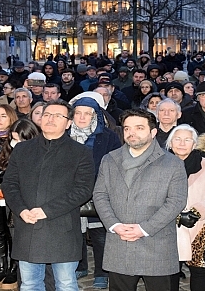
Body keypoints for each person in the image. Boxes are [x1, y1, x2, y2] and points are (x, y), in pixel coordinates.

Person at [2, 99, 95, 291]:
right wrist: (21, 210)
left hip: (62, 228)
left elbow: (83, 190)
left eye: (57, 116)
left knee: (66, 283)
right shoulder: (22, 149)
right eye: (47, 114)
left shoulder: (80, 152)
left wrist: (47, 210)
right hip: (28, 227)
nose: (50, 119)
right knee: (29, 284)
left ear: (69, 123)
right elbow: (10, 184)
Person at [92, 109, 188, 291]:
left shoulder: (172, 163)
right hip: (120, 241)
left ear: (153, 132)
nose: (131, 133)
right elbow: (100, 195)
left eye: (139, 128)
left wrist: (144, 228)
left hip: (157, 242)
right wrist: (114, 225)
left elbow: (176, 201)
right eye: (127, 128)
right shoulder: (110, 159)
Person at [70, 97, 121, 289]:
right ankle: (80, 265)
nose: (82, 117)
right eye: (78, 112)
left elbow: (116, 164)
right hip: (71, 192)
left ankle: (101, 271)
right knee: (76, 231)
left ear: (95, 115)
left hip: (100, 191)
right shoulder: (64, 134)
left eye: (87, 113)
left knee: (99, 234)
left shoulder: (108, 136)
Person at [167, 125, 205, 291]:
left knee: (199, 270)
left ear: (194, 144)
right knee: (170, 271)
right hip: (168, 226)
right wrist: (175, 215)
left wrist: (197, 211)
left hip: (198, 226)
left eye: (187, 139)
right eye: (177, 139)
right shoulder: (160, 165)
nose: (182, 143)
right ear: (170, 143)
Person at [0, 119, 39, 289]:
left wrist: (8, 176)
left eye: (20, 139)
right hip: (0, 198)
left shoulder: (35, 152)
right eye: (13, 138)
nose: (16, 143)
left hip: (19, 202)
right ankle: (2, 268)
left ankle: (14, 270)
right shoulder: (8, 149)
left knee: (14, 235)